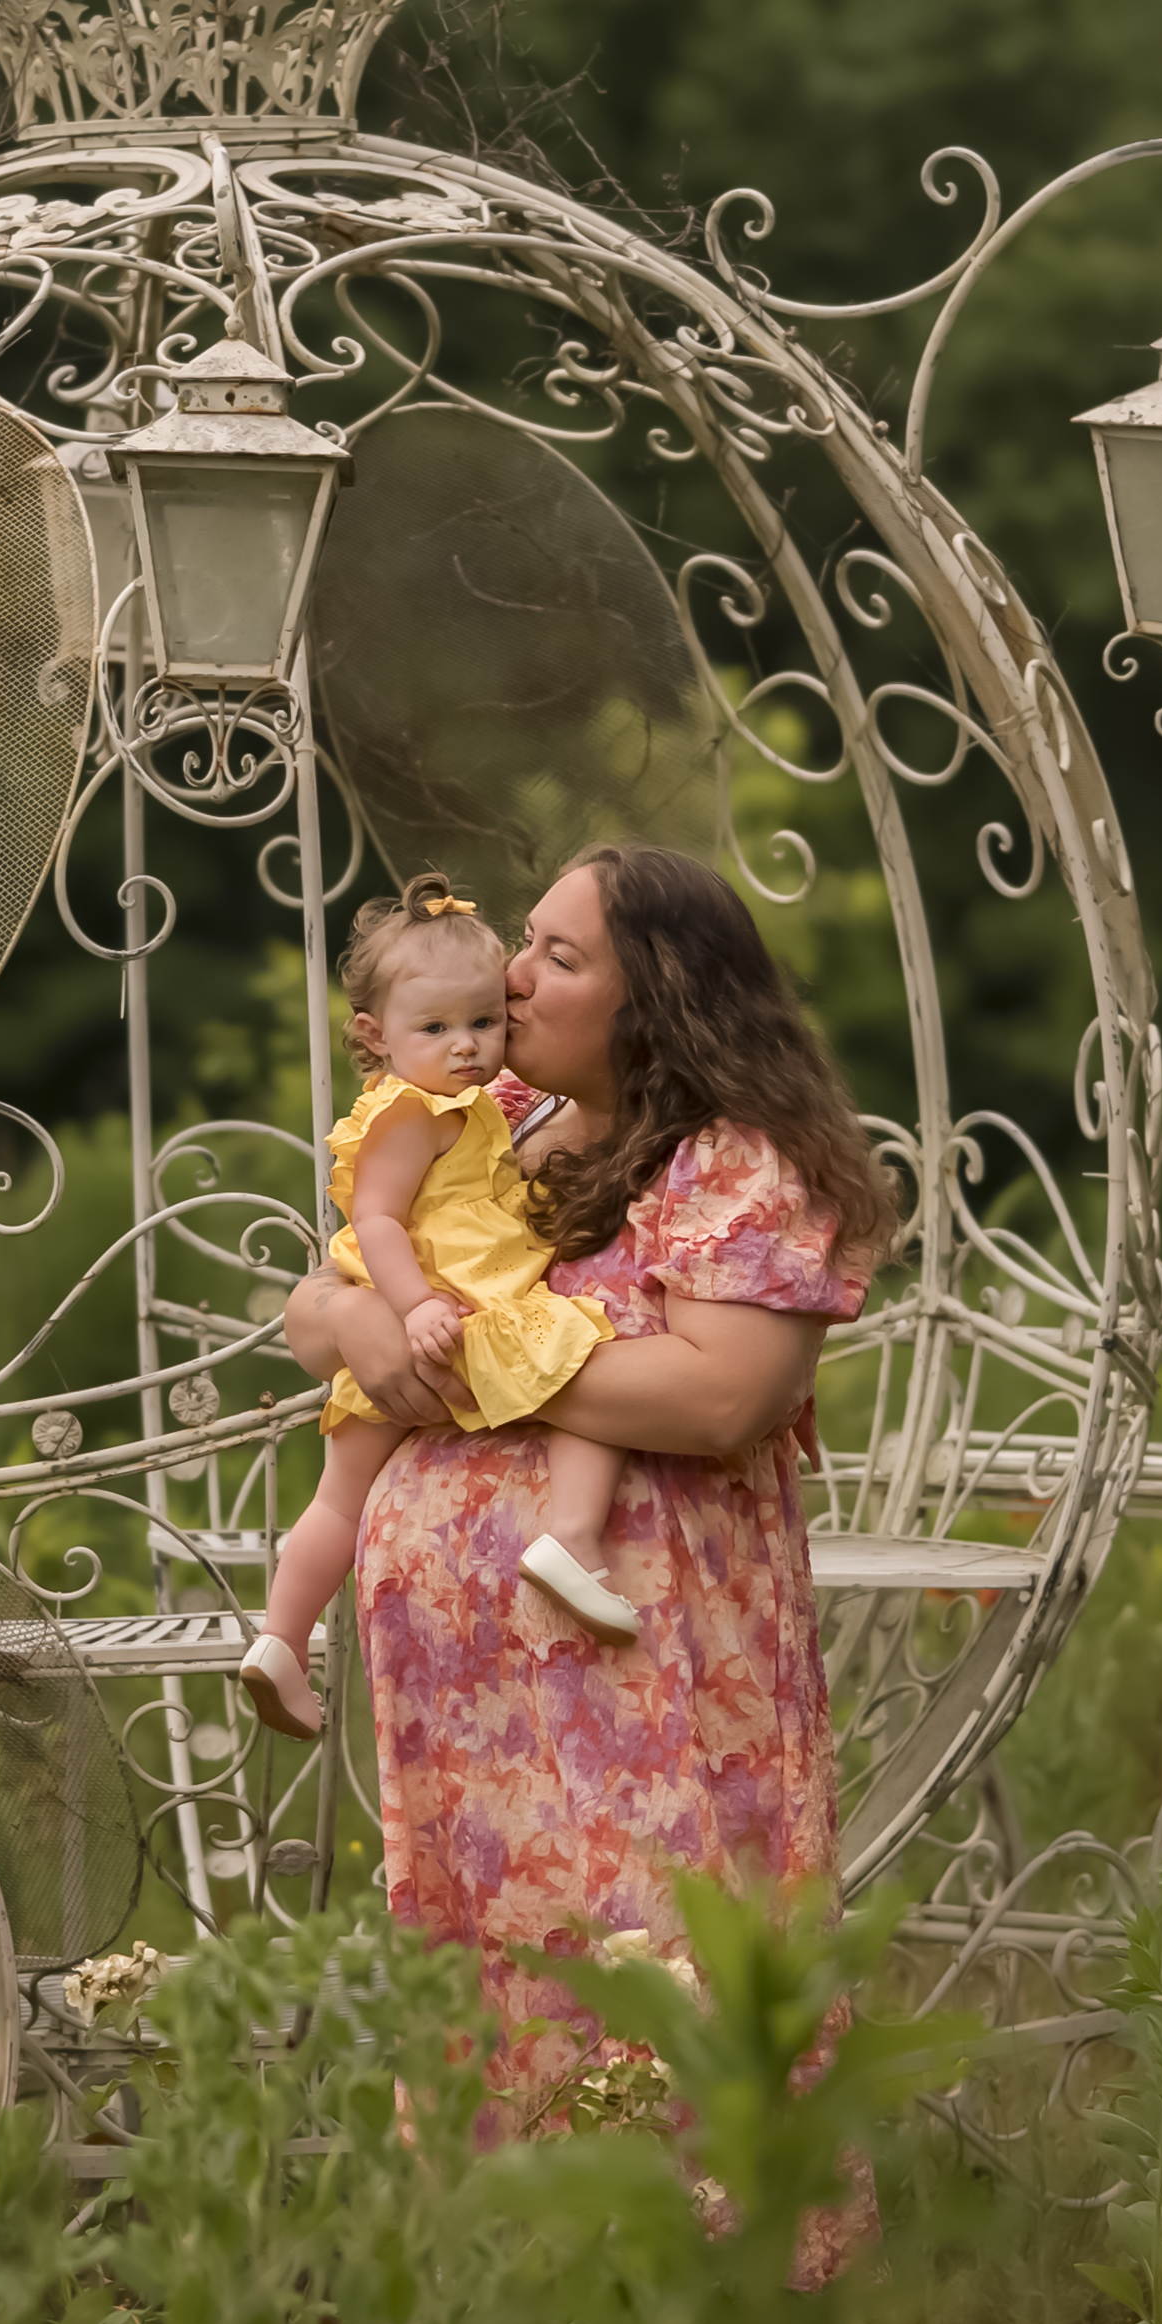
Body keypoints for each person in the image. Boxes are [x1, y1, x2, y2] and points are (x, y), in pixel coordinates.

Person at [274, 843, 897, 2130]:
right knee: (489, 1987)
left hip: (648, 1676)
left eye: (557, 957)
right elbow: (322, 1295)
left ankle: (703, 2309)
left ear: (655, 996)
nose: (508, 976)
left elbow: (728, 1394)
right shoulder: (497, 1114)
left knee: (663, 1972)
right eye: (525, 944)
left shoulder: (736, 1160)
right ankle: (504, 2298)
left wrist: (465, 1373)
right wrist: (348, 1319)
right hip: (471, 1709)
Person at [240, 875, 636, 1745]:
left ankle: (281, 1639)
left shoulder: (473, 1103)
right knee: (578, 1338)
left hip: (424, 1319)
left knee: (338, 1502)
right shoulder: (416, 1111)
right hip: (449, 1302)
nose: (466, 1046)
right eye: (436, 1029)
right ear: (375, 1037)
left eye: (482, 1022)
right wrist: (409, 1306)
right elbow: (370, 1221)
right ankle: (571, 1534)